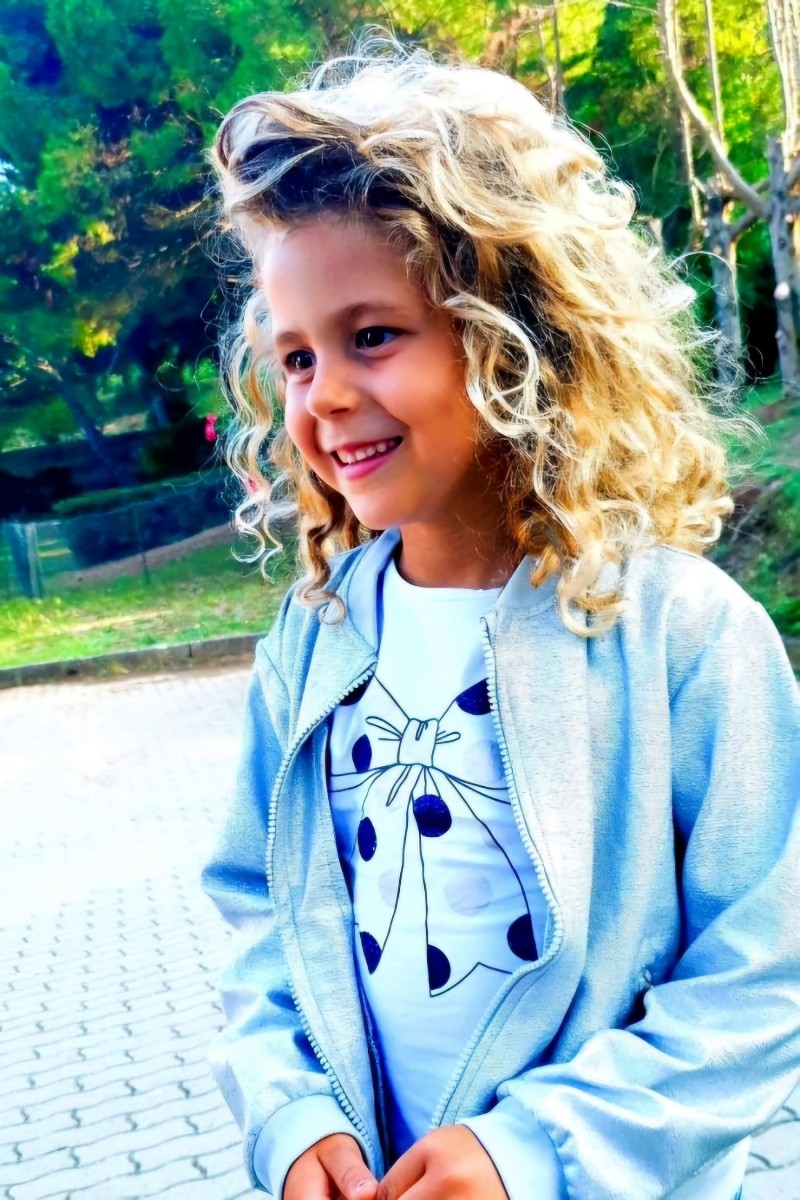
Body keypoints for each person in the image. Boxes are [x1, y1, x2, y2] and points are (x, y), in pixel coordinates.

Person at [200, 34, 800, 1200]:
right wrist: (293, 1114)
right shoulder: (314, 638)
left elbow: (764, 968)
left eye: (371, 336)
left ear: (514, 334)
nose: (324, 395)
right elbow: (260, 912)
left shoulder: (678, 635)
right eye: (295, 357)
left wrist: (533, 1151)